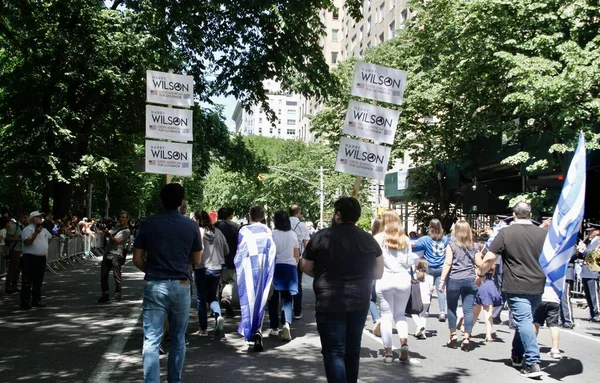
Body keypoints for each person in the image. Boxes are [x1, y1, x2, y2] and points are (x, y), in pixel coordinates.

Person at [302, 197, 383, 383]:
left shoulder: (321, 236)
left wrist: (321, 274)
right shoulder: (369, 240)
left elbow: (305, 266)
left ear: (337, 215)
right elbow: (378, 273)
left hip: (329, 300)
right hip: (359, 301)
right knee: (353, 350)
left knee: (333, 351)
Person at [132, 183, 203, 383]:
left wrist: (154, 270)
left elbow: (137, 259)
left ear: (161, 201)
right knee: (179, 338)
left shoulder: (148, 223)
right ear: (181, 202)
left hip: (155, 285)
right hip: (181, 285)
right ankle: (174, 380)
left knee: (152, 339)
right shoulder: (191, 226)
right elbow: (197, 260)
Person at [479, 201, 546, 379]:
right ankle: (517, 355)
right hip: (537, 284)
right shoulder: (543, 233)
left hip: (516, 283)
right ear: (530, 215)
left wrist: (481, 272)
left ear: (514, 215)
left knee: (523, 320)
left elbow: (490, 257)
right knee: (525, 320)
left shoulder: (506, 232)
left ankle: (532, 362)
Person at [234, 205, 277, 352]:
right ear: (263, 216)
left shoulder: (244, 231)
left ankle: (250, 330)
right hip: (264, 270)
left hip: (248, 270)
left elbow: (240, 252)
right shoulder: (267, 231)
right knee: (261, 301)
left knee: (249, 300)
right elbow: (272, 252)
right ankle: (258, 330)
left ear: (249, 216)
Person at [374, 209, 413, 363]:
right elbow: (410, 263)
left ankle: (388, 352)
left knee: (386, 317)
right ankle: (404, 344)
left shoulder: (378, 238)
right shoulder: (405, 239)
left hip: (385, 278)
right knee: (400, 315)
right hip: (403, 279)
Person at [438, 220, 478, 351]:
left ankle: (453, 335)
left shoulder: (451, 245)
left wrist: (442, 281)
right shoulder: (475, 245)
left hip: (455, 279)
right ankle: (467, 337)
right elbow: (478, 263)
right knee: (468, 310)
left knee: (451, 308)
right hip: (470, 279)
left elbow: (448, 263)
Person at [194, 210, 229, 336]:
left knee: (201, 298)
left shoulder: (198, 233)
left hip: (201, 268)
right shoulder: (218, 232)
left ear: (198, 220)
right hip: (216, 268)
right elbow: (226, 250)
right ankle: (218, 316)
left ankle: (203, 329)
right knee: (213, 296)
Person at [267, 210, 299, 341]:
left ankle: (274, 328)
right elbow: (296, 254)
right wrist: (294, 264)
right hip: (289, 268)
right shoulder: (293, 234)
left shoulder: (272, 234)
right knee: (287, 298)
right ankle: (286, 323)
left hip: (275, 267)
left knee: (272, 298)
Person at [413, 218, 450, 321]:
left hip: (428, 267)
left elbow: (413, 245)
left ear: (430, 228)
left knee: (427, 288)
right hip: (442, 267)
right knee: (440, 290)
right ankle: (442, 312)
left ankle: (426, 310)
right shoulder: (446, 239)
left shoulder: (425, 239)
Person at [20, 211, 53, 310]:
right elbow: (27, 242)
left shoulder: (44, 230)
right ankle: (25, 302)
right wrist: (36, 233)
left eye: (41, 216)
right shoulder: (28, 229)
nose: (40, 218)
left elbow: (50, 238)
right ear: (33, 218)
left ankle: (36, 300)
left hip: (41, 258)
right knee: (27, 280)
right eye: (38, 217)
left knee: (38, 281)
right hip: (30, 257)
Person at [98, 211, 131, 303]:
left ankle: (118, 294)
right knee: (103, 275)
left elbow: (117, 241)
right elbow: (107, 235)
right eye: (120, 217)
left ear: (127, 219)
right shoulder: (115, 228)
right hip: (107, 253)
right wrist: (105, 231)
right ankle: (105, 294)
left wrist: (109, 234)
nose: (121, 219)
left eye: (123, 217)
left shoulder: (126, 231)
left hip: (116, 254)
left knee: (116, 276)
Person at [214, 207, 239, 317]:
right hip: (230, 258)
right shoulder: (235, 227)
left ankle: (215, 304)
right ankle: (226, 298)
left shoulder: (212, 227)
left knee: (215, 282)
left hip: (214, 260)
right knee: (229, 281)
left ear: (218, 216)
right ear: (230, 216)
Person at [289, 204, 310, 320]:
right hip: (297, 258)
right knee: (297, 284)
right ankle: (297, 311)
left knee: (285, 284)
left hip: (284, 258)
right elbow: (306, 243)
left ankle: (286, 309)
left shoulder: (284, 223)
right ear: (298, 213)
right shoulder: (302, 225)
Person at [576, 223, 600, 322]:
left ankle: (597, 313)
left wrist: (584, 249)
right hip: (586, 270)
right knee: (589, 295)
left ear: (597, 231)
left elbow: (594, 254)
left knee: (594, 295)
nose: (589, 233)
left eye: (591, 231)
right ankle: (592, 312)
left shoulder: (598, 242)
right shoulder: (589, 242)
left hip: (593, 271)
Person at [533, 284, 563, 359]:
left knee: (535, 323)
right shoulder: (560, 272)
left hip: (541, 297)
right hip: (554, 299)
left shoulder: (542, 271)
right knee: (553, 325)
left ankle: (531, 347)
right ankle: (555, 349)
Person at [4, 214, 28, 295]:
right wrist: (20, 239)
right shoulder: (14, 226)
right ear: (20, 218)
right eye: (24, 217)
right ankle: (8, 287)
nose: (26, 219)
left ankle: (14, 286)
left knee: (18, 269)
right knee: (12, 268)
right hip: (14, 249)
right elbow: (8, 238)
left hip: (21, 249)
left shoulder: (24, 227)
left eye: (27, 218)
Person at [411, 258, 434, 340]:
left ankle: (420, 326)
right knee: (423, 315)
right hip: (426, 299)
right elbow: (431, 289)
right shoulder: (430, 277)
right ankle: (421, 332)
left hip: (417, 299)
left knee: (414, 313)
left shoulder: (414, 277)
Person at [370, 218, 382, 337]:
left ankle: (377, 318)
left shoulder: (373, 240)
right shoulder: (393, 238)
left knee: (370, 298)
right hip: (389, 274)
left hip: (374, 273)